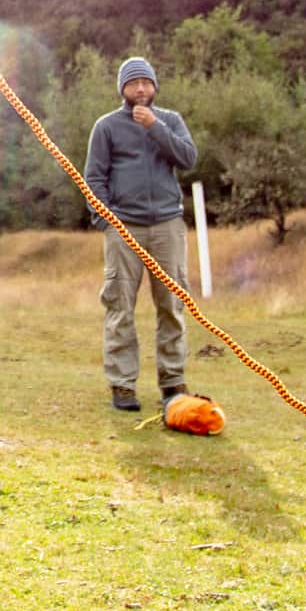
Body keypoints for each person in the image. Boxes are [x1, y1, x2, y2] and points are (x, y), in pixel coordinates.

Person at [84, 56, 198, 412]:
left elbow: (188, 158)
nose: (140, 89)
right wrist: (106, 221)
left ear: (154, 87)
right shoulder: (106, 127)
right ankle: (123, 384)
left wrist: (155, 128)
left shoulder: (171, 120)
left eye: (146, 83)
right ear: (123, 89)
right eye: (133, 84)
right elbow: (94, 178)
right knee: (120, 306)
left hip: (167, 225)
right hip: (124, 227)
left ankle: (173, 382)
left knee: (172, 306)